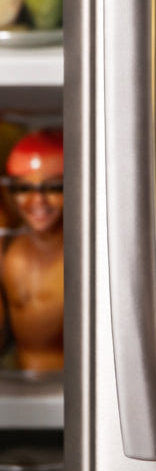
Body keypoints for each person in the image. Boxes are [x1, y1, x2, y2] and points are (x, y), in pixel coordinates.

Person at [1, 129, 64, 372]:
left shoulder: (86, 258)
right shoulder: (10, 252)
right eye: (24, 188)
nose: (37, 200)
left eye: (53, 187)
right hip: (19, 382)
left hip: (69, 387)